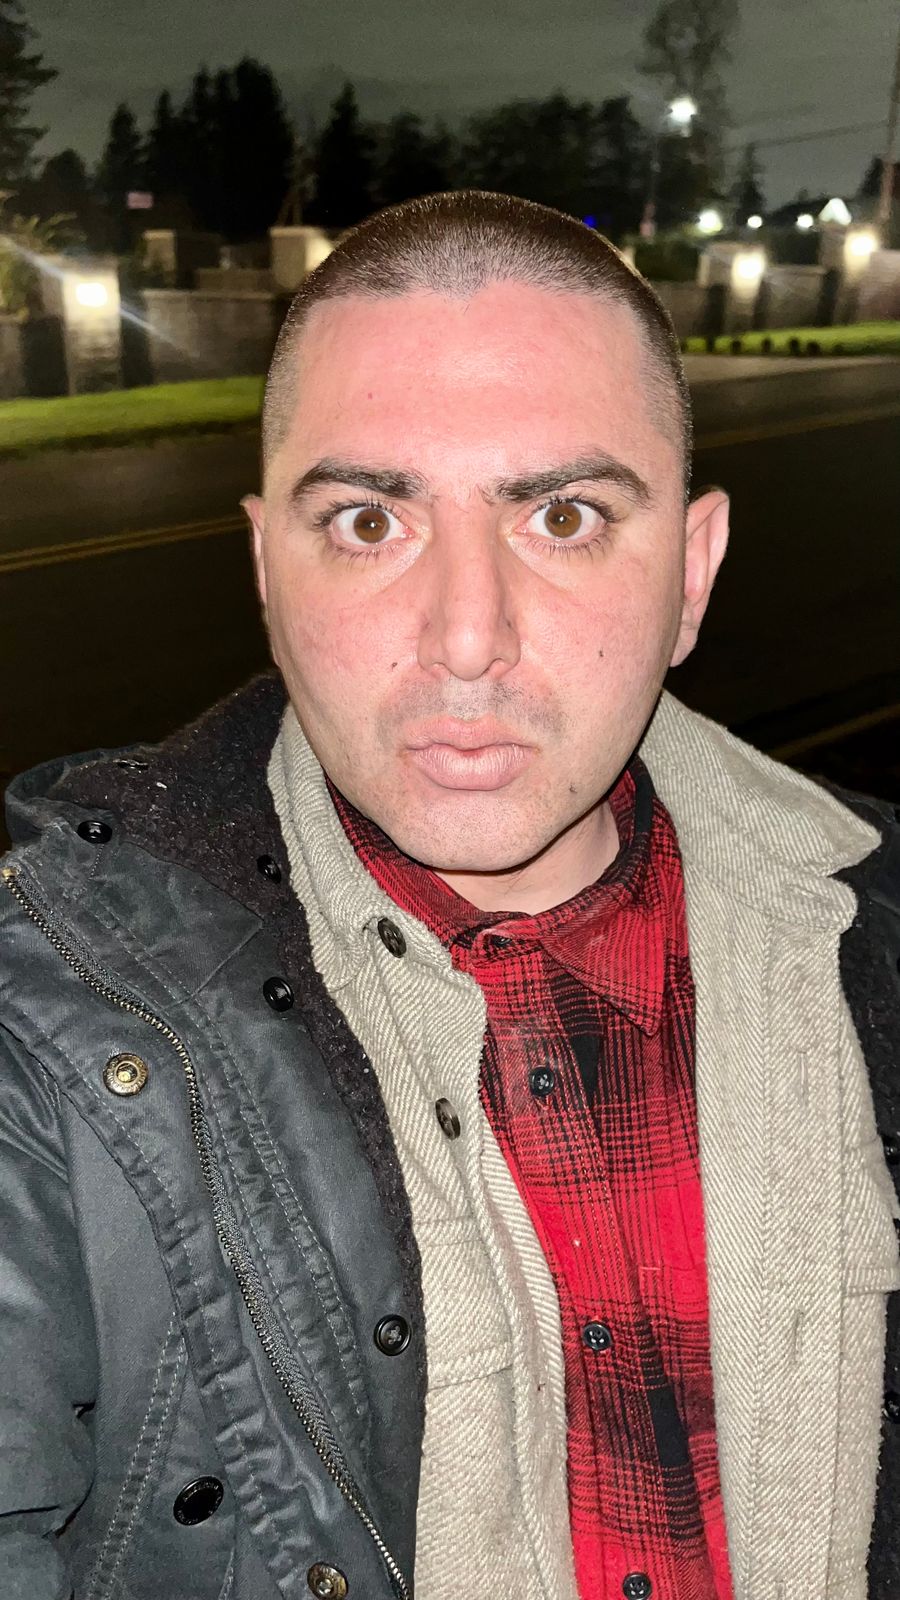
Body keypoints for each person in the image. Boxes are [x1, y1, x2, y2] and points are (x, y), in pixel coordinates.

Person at [1, 190, 898, 1600]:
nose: (467, 636)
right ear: (265, 567)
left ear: (693, 573)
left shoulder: (875, 931)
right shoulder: (51, 1020)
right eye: (369, 521)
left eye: (564, 515)